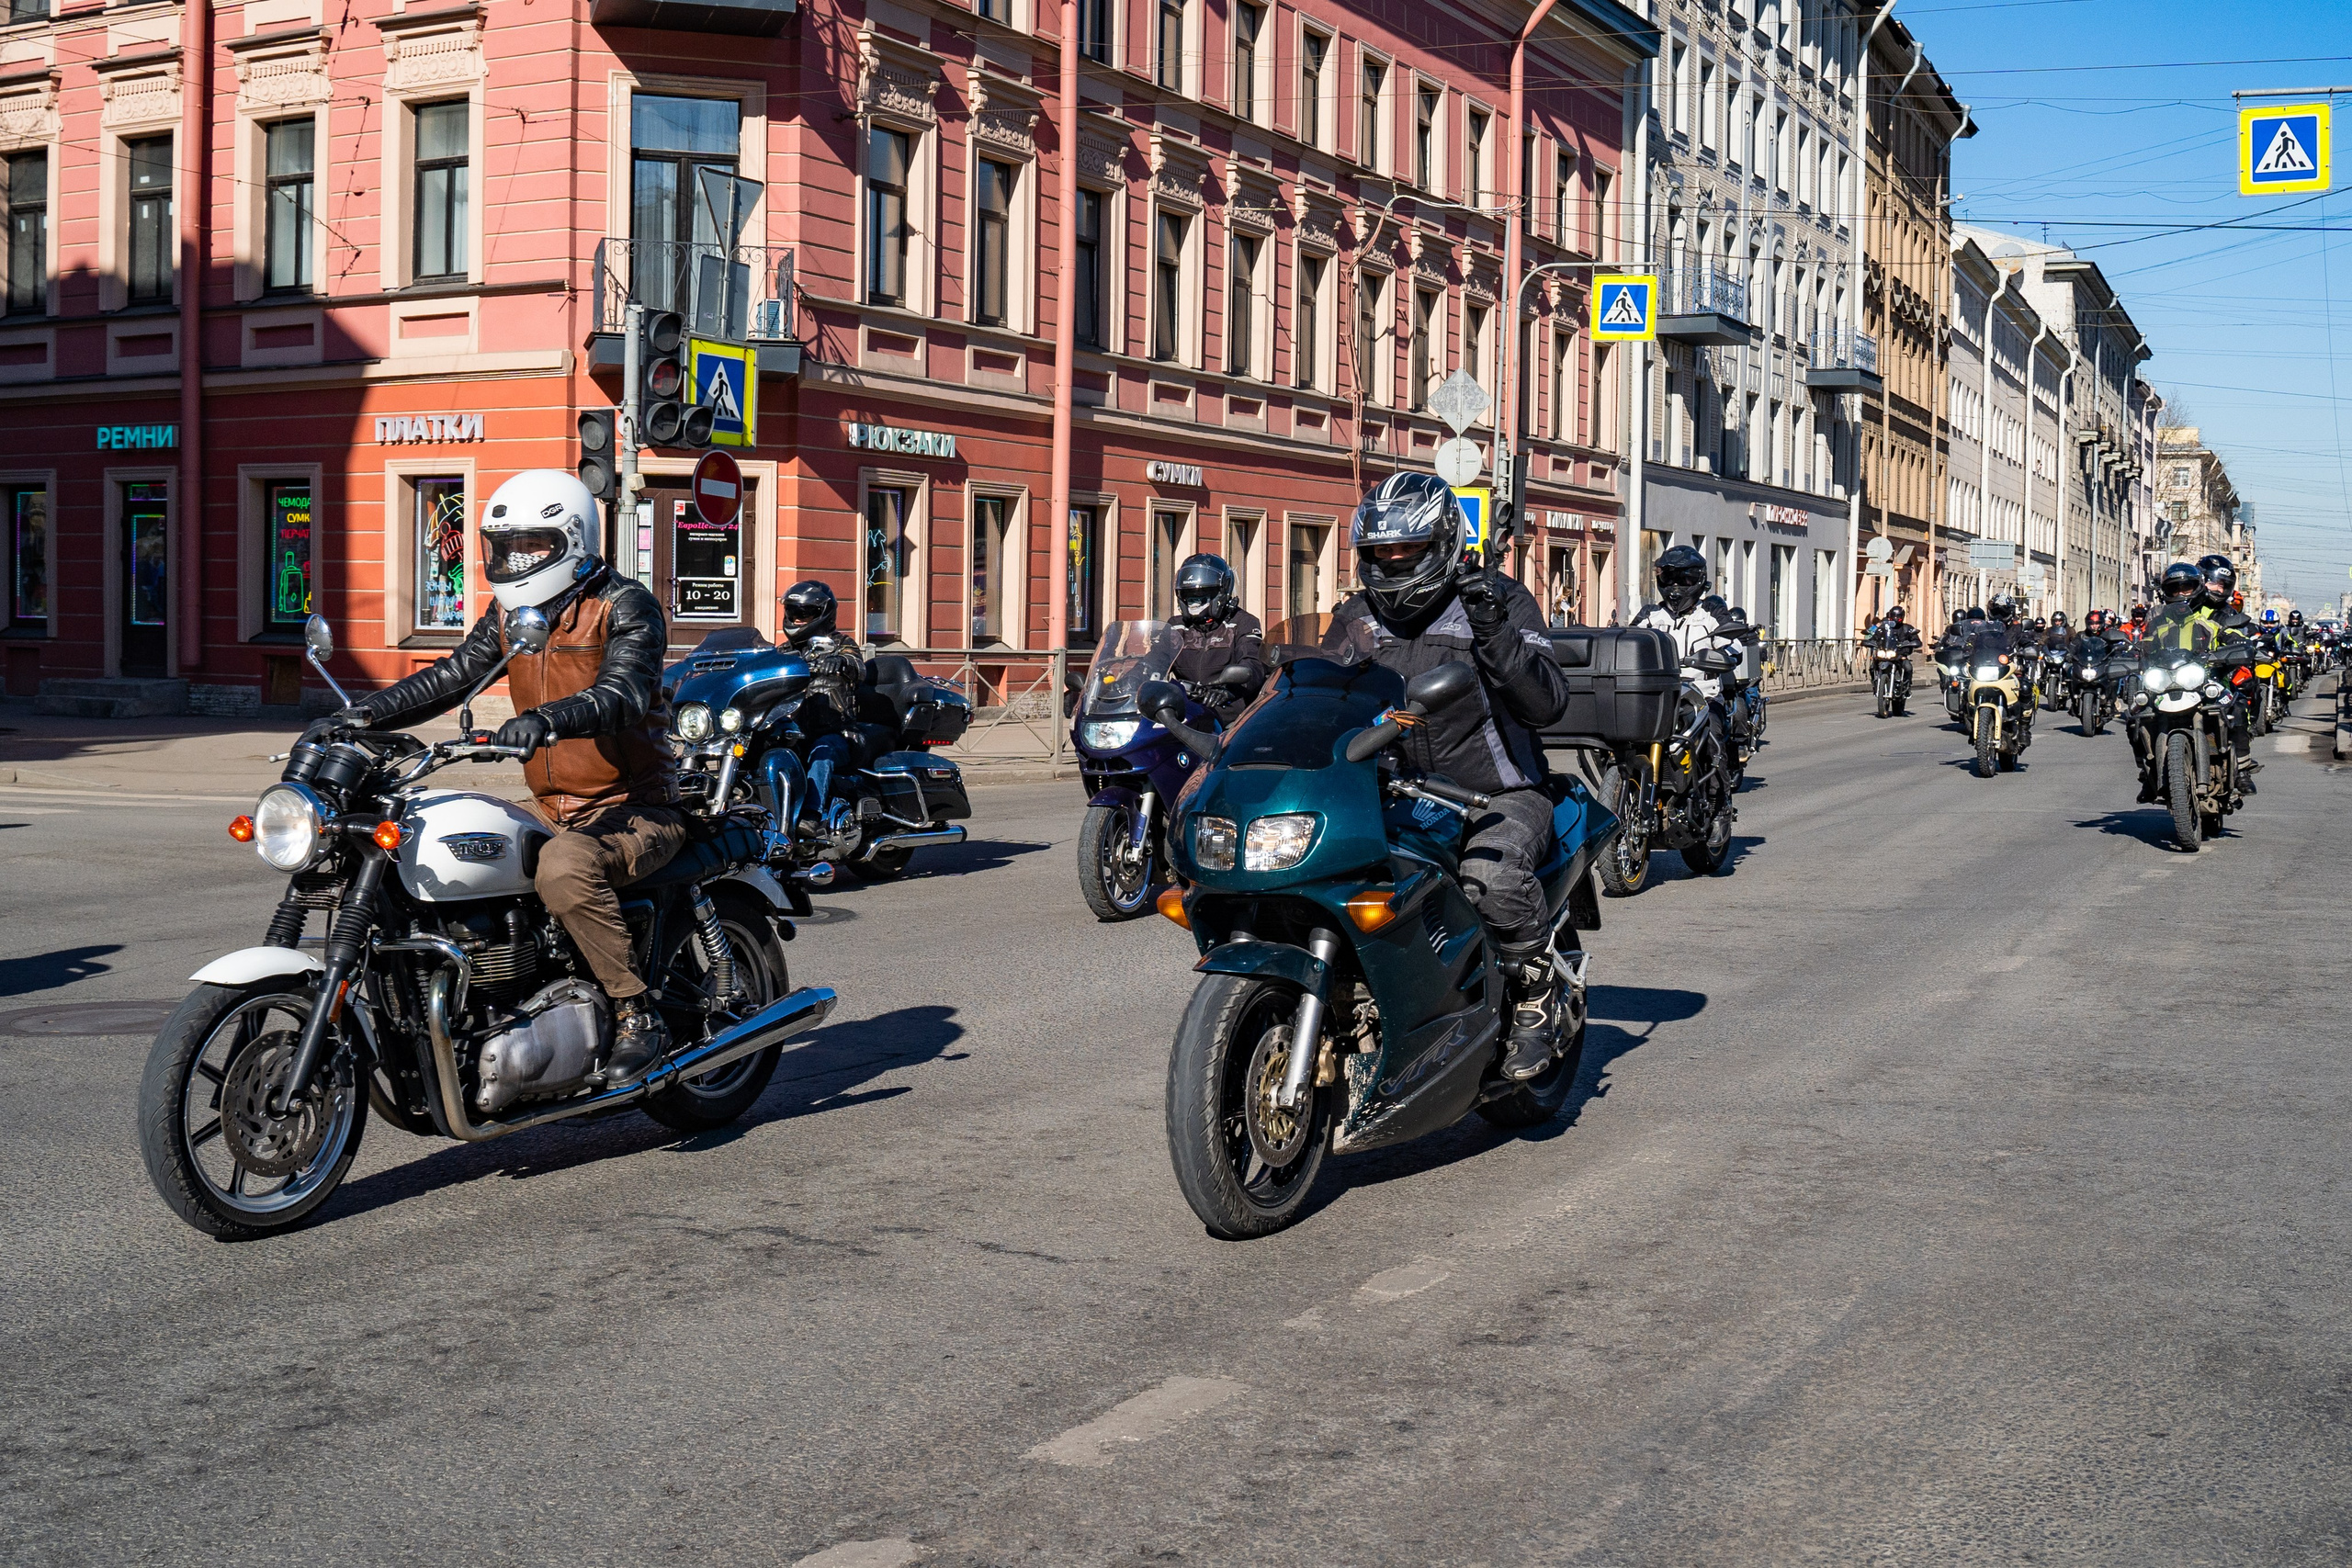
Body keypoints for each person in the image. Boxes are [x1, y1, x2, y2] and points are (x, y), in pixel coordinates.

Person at [301, 470, 683, 1085]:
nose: (513, 560)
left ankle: (637, 1013)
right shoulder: (511, 614)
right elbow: (455, 674)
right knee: (439, 837)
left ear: (573, 540)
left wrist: (548, 719)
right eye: (503, 548)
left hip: (635, 806)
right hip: (551, 806)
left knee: (564, 868)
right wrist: (361, 714)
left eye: (530, 547)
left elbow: (626, 694)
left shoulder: (624, 604)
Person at [1330, 471, 1569, 1081]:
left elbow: (1546, 703)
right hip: (1391, 792)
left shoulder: (1501, 600)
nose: (1392, 561)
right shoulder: (1357, 616)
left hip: (1499, 790)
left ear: (1439, 545)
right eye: (1380, 551)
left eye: (1406, 549)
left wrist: (1495, 630)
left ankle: (1539, 999)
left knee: (1489, 876)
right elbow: (1318, 690)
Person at [777, 580, 866, 829]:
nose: (796, 619)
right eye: (793, 612)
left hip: (839, 734)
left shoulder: (841, 643)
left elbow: (859, 668)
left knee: (821, 752)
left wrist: (841, 663)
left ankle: (811, 816)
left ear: (823, 614)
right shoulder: (783, 652)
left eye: (804, 614)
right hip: (793, 733)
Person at [1165, 554, 1265, 718]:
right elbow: (1155, 659)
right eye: (1189, 595)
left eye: (1203, 594)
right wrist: (1129, 677)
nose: (1194, 601)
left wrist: (1228, 692)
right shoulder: (1176, 626)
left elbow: (1253, 664)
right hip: (1185, 711)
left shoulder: (1242, 622)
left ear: (1221, 593)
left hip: (1229, 713)